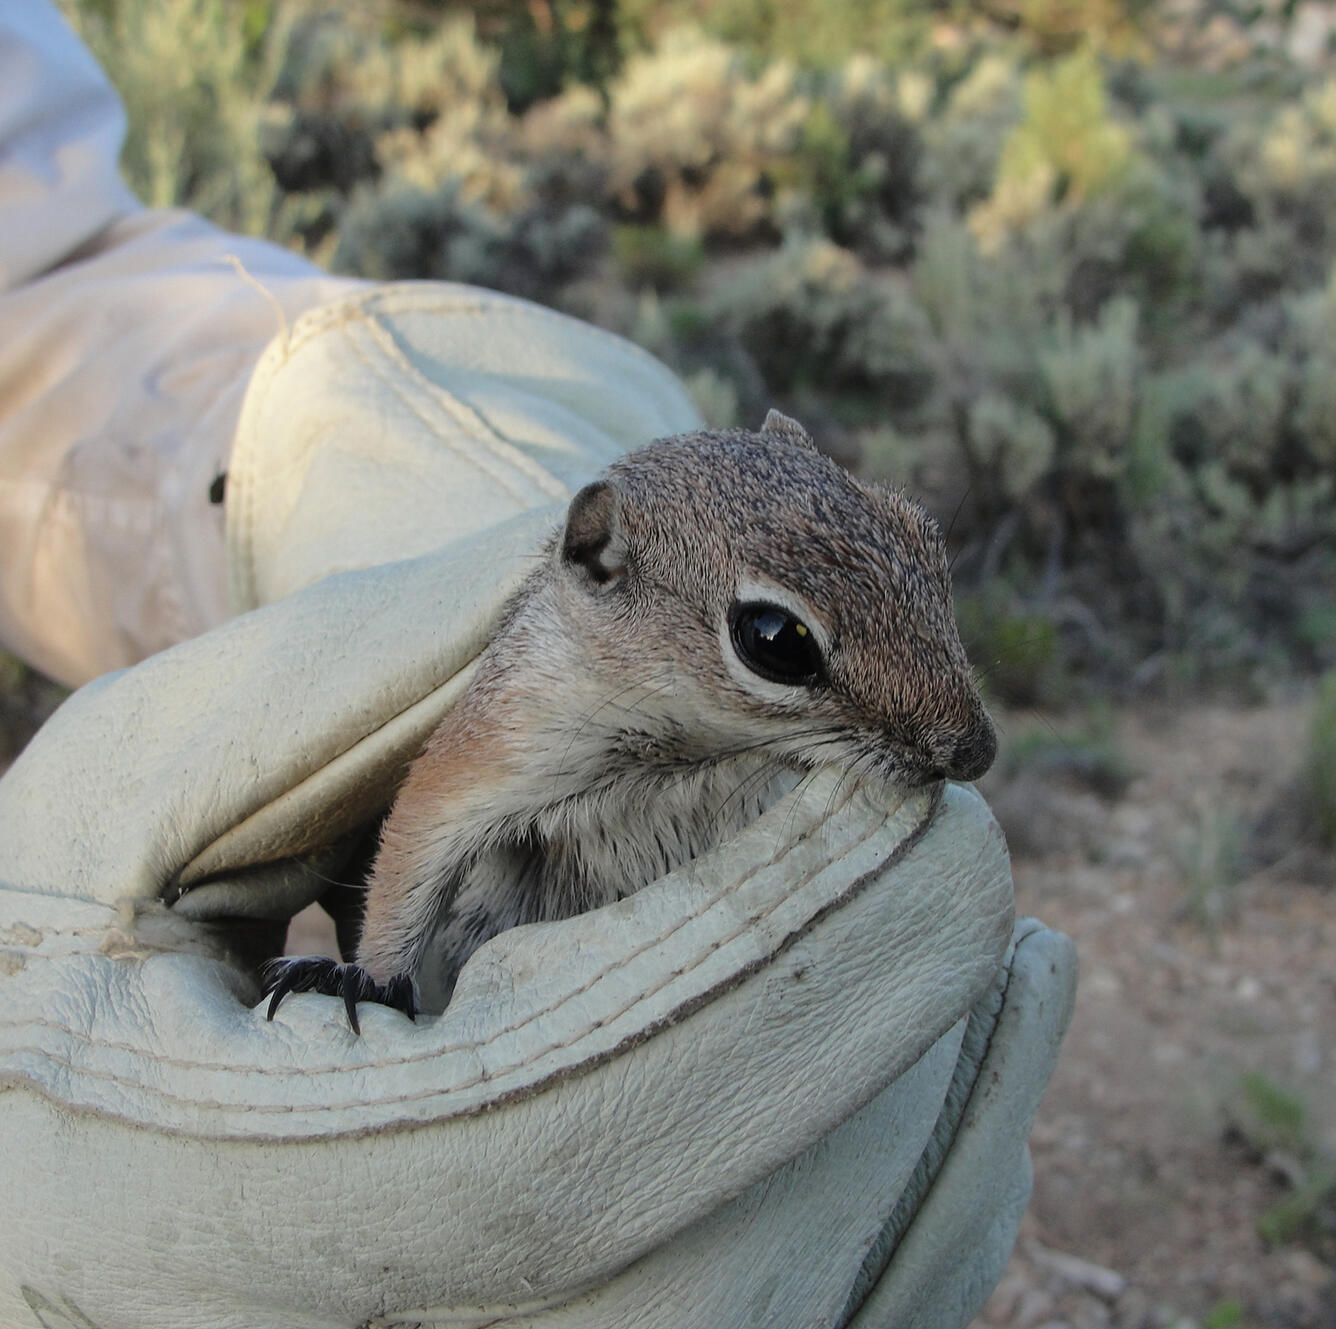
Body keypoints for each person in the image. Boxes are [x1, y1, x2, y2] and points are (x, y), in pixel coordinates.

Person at [0, 6, 1076, 1327]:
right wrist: (376, 995)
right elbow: (434, 842)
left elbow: (44, 274)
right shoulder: (563, 674)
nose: (958, 746)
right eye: (779, 647)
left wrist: (315, 436)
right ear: (599, 566)